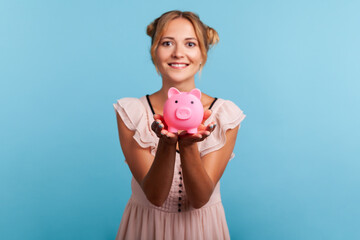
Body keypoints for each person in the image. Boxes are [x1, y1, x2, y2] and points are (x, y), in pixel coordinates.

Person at [113, 10, 246, 240]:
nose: (178, 53)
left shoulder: (225, 115)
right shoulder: (131, 113)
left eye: (190, 44)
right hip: (146, 230)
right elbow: (155, 196)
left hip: (203, 230)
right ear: (154, 52)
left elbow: (200, 198)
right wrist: (166, 143)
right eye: (167, 43)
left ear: (203, 54)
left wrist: (187, 145)